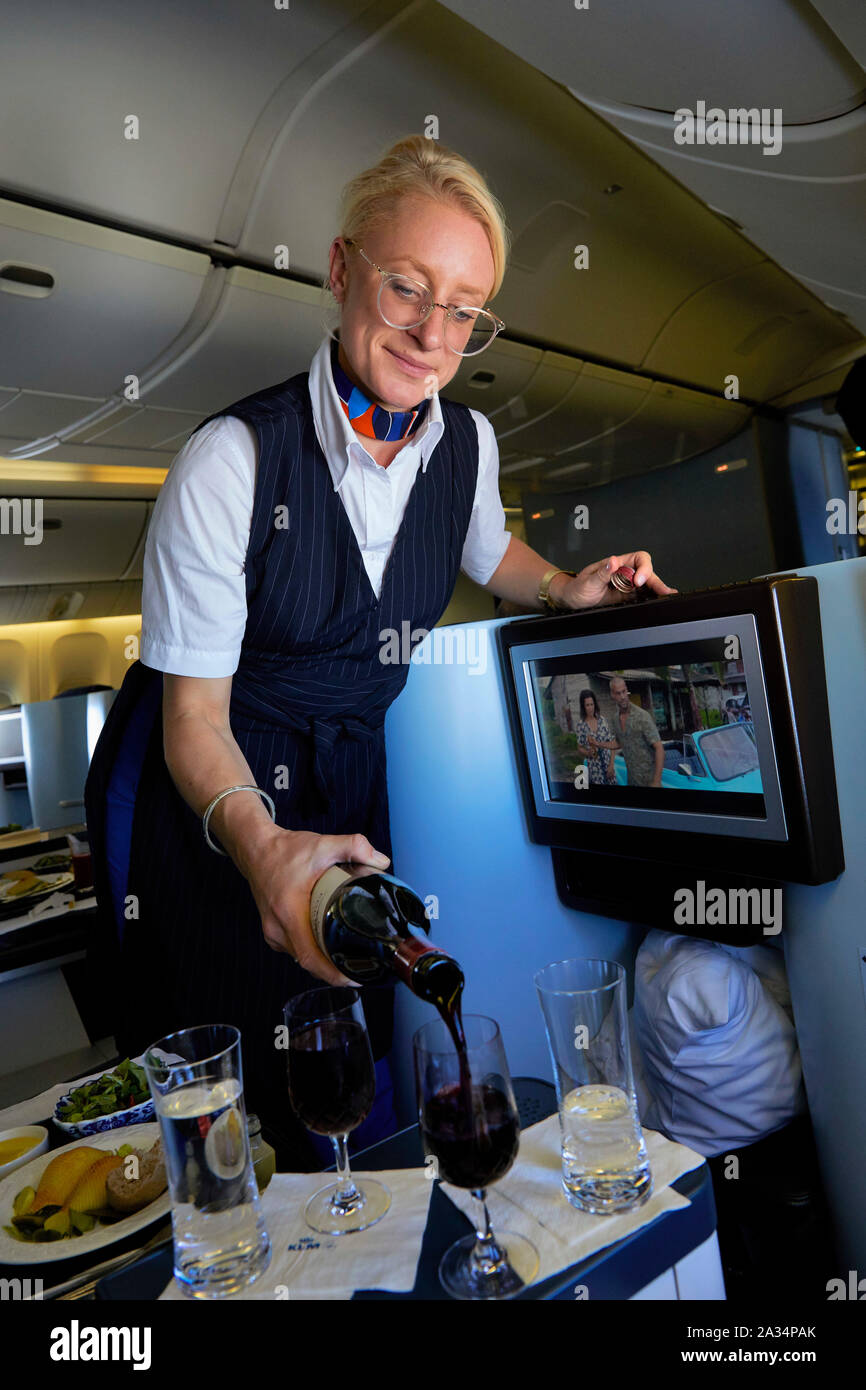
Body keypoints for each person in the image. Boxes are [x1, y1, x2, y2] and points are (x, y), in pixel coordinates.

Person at [84, 136, 674, 1167]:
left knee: (346, 1043)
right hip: (217, 793)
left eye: (463, 308)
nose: (432, 330)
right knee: (236, 1090)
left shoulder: (467, 444)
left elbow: (489, 549)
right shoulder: (232, 461)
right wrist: (263, 849)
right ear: (343, 268)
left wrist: (563, 587)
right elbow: (192, 723)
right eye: (408, 286)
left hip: (353, 769)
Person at [589, 677, 664, 787]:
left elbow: (659, 748)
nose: (623, 697)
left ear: (627, 690)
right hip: (632, 780)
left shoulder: (642, 716)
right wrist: (598, 744)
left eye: (624, 692)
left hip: (650, 781)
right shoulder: (615, 719)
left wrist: (656, 781)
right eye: (618, 693)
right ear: (612, 695)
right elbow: (619, 742)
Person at [574, 690, 616, 785]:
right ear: (583, 707)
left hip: (608, 764)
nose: (590, 708)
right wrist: (588, 752)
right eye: (587, 705)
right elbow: (580, 747)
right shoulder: (581, 725)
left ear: (595, 705)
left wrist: (611, 765)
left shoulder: (602, 720)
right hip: (594, 769)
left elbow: (612, 743)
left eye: (592, 704)